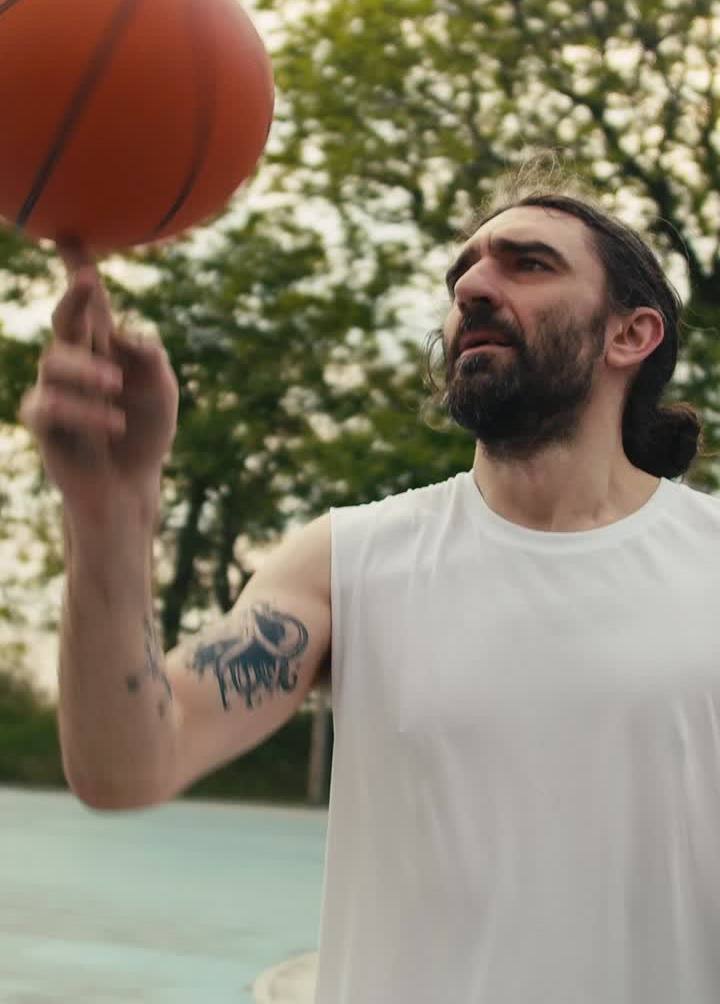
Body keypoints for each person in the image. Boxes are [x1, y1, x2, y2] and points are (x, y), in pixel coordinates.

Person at [20, 157, 720, 1004]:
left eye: (527, 263)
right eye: (463, 271)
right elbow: (126, 766)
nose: (473, 287)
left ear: (630, 334)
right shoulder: (349, 561)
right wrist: (110, 509)